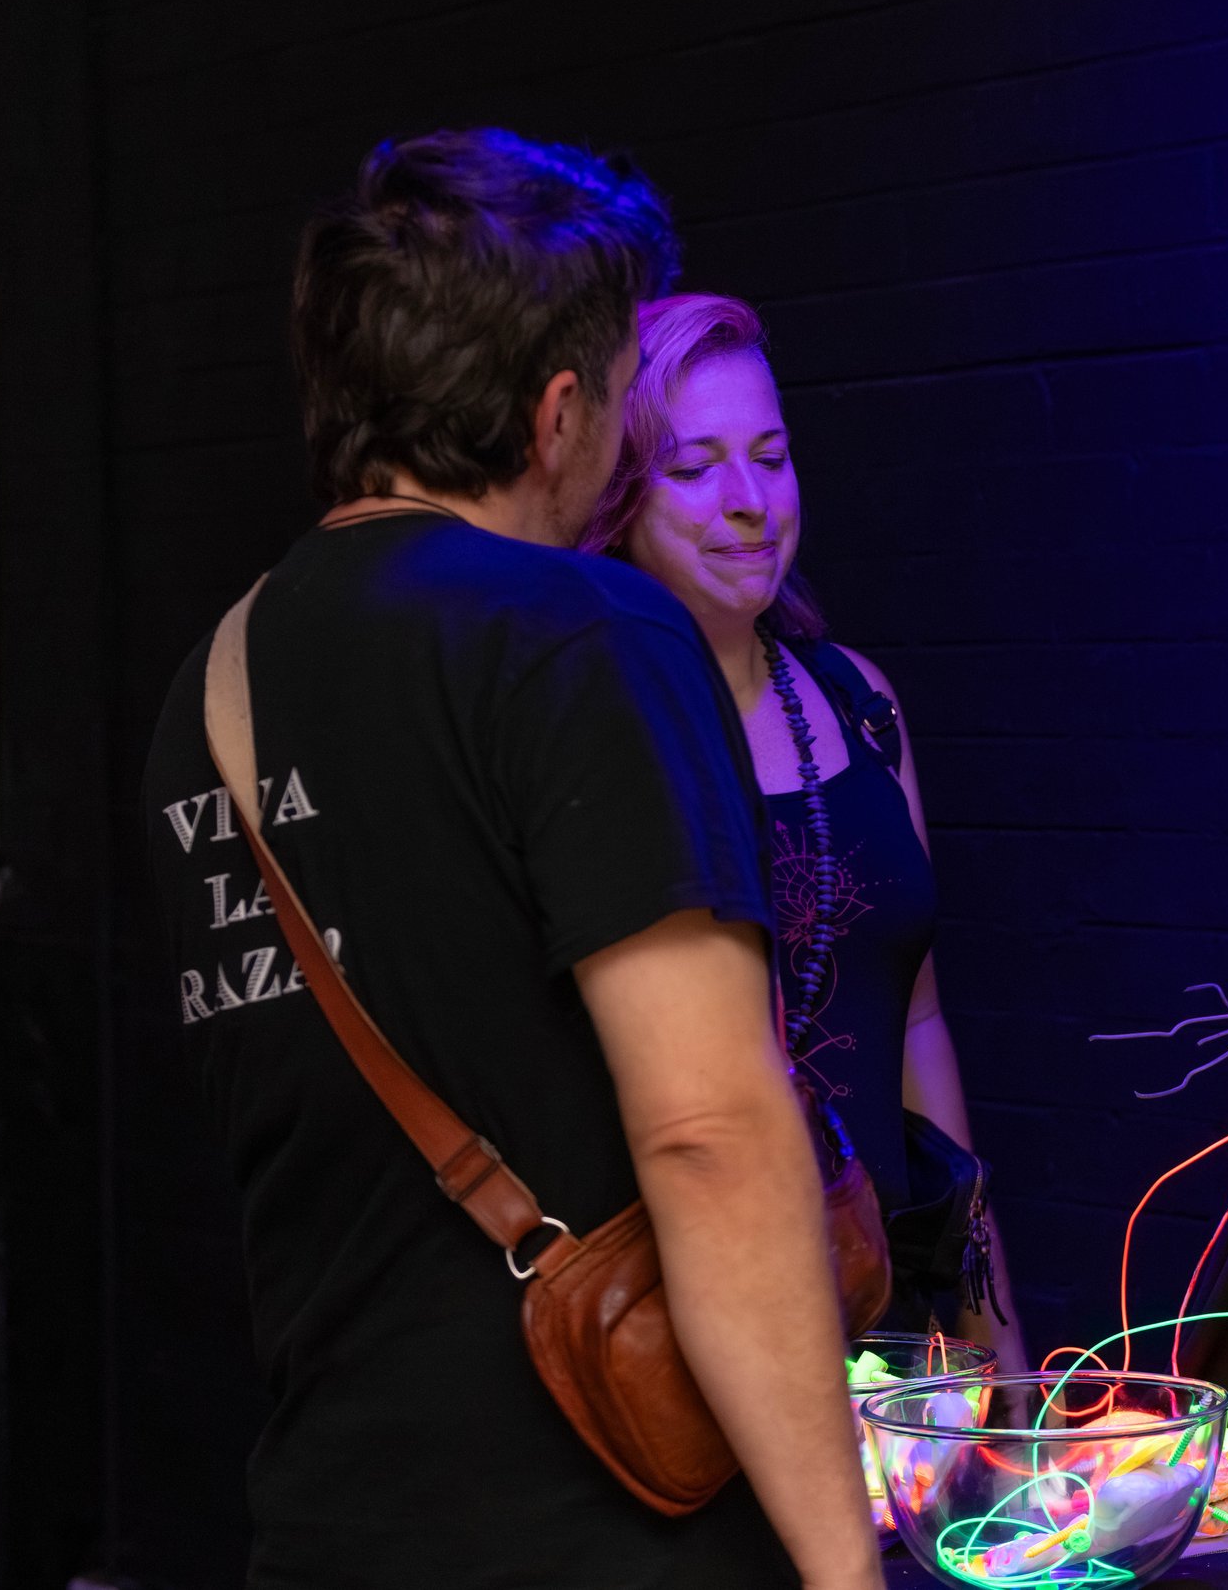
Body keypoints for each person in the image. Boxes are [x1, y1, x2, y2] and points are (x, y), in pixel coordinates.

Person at [140, 132, 879, 1590]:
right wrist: (846, 1568)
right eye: (612, 394)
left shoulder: (209, 687)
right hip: (601, 1533)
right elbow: (708, 1132)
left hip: (326, 1525)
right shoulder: (583, 632)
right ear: (557, 414)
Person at [582, 293, 1026, 1376]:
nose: (750, 503)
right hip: (706, 1333)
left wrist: (991, 1329)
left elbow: (917, 1029)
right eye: (693, 469)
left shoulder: (856, 702)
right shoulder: (598, 731)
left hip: (894, 1324)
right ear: (619, 495)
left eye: (771, 456)